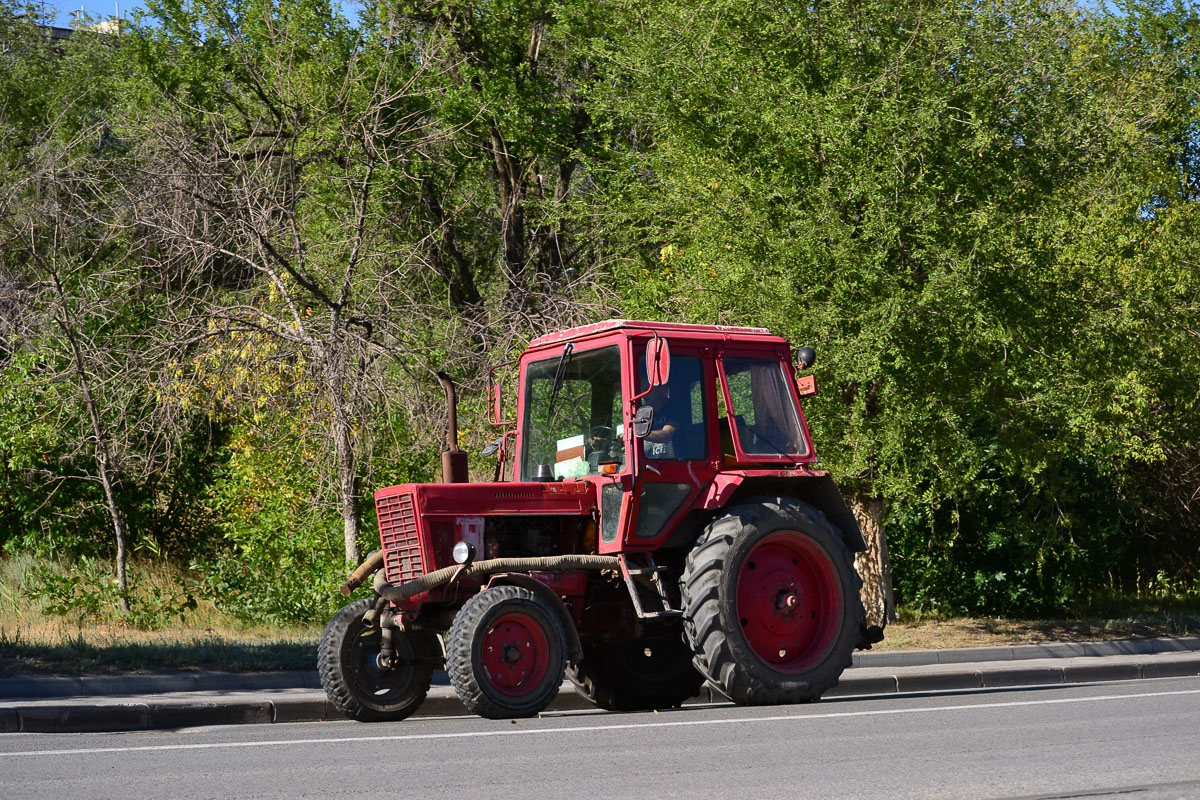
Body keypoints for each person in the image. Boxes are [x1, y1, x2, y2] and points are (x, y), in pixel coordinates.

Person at [641, 385, 677, 459]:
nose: (644, 394)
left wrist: (639, 434)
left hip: (673, 464)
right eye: (641, 391)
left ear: (662, 389)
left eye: (646, 389)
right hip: (648, 464)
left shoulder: (674, 408)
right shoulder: (643, 413)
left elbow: (667, 435)